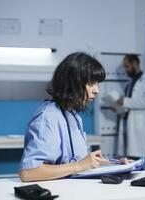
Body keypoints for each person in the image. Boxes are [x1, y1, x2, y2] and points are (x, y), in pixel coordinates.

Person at [19, 52, 128, 182]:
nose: (96, 90)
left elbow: (80, 162)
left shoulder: (73, 115)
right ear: (71, 83)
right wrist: (79, 166)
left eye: (97, 83)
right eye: (90, 83)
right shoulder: (49, 117)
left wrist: (115, 164)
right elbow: (28, 172)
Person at [115, 54, 145, 169]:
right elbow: (129, 107)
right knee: (131, 169)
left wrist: (125, 101)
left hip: (141, 133)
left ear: (135, 63)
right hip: (128, 131)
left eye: (127, 66)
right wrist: (118, 108)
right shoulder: (129, 84)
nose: (125, 70)